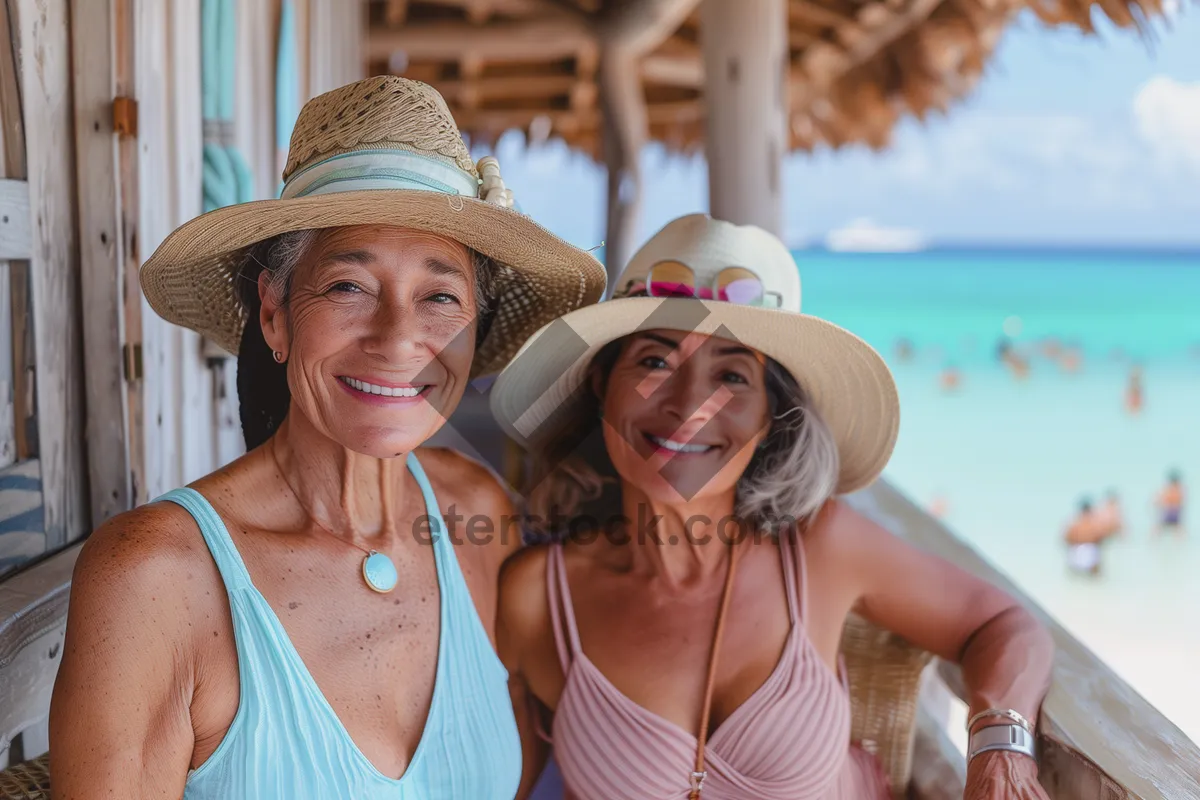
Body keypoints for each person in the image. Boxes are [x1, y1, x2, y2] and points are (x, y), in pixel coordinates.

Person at [49, 76, 605, 799]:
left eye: (439, 296)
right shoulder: (155, 579)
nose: (399, 339)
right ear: (275, 314)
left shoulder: (480, 516)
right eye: (349, 286)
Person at [491, 215, 1054, 800]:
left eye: (732, 376)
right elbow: (499, 777)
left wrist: (1000, 749)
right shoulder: (537, 596)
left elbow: (1004, 625)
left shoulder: (819, 548)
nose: (690, 405)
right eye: (655, 362)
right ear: (601, 387)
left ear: (769, 419)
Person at [1063, 498, 1105, 577]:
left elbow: (1066, 538)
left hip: (1076, 553)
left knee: (1075, 580)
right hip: (1090, 553)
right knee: (1094, 580)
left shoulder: (1074, 523)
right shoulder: (1095, 524)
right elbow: (1100, 538)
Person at [1155, 470, 1186, 536]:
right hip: (1170, 514)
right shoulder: (1174, 490)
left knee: (1177, 531)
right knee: (1159, 529)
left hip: (1171, 514)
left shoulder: (1175, 490)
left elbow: (1159, 501)